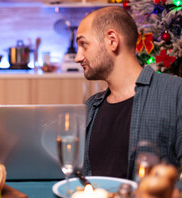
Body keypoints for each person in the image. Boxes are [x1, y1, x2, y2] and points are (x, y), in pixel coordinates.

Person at [75, 6, 182, 179]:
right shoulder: (90, 108)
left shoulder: (176, 93)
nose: (78, 57)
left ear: (112, 40)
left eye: (83, 44)